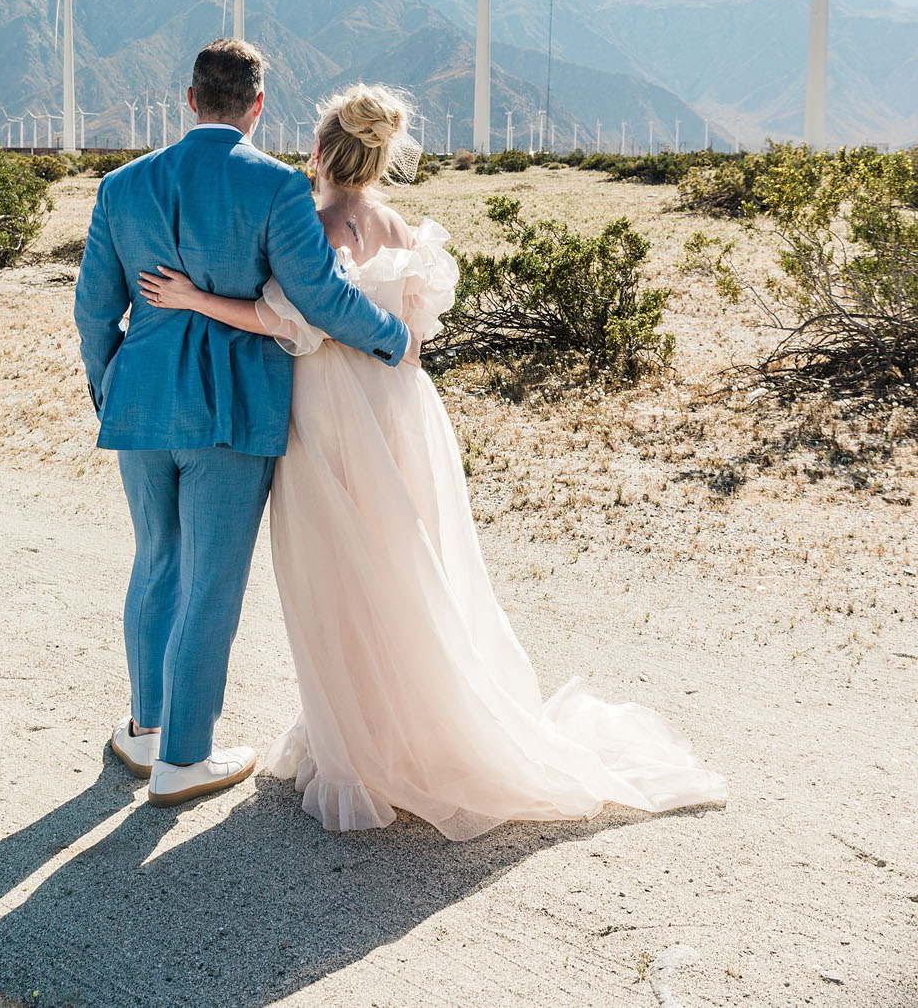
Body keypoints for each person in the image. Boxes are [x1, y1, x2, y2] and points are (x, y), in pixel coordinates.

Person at [138, 82, 728, 838]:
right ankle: (410, 726)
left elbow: (288, 321)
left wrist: (191, 298)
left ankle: (360, 739)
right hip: (404, 413)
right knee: (411, 569)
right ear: (381, 155)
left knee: (341, 577)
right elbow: (417, 337)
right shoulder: (406, 230)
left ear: (316, 153)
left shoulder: (311, 226)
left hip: (328, 419)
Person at [74, 41, 417, 809]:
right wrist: (396, 340)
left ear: (190, 100)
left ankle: (145, 730)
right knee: (212, 582)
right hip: (231, 409)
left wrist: (110, 389)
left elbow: (94, 308)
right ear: (257, 106)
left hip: (141, 402)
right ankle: (183, 760)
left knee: (156, 560)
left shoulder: (119, 186)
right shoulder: (277, 188)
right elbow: (322, 300)